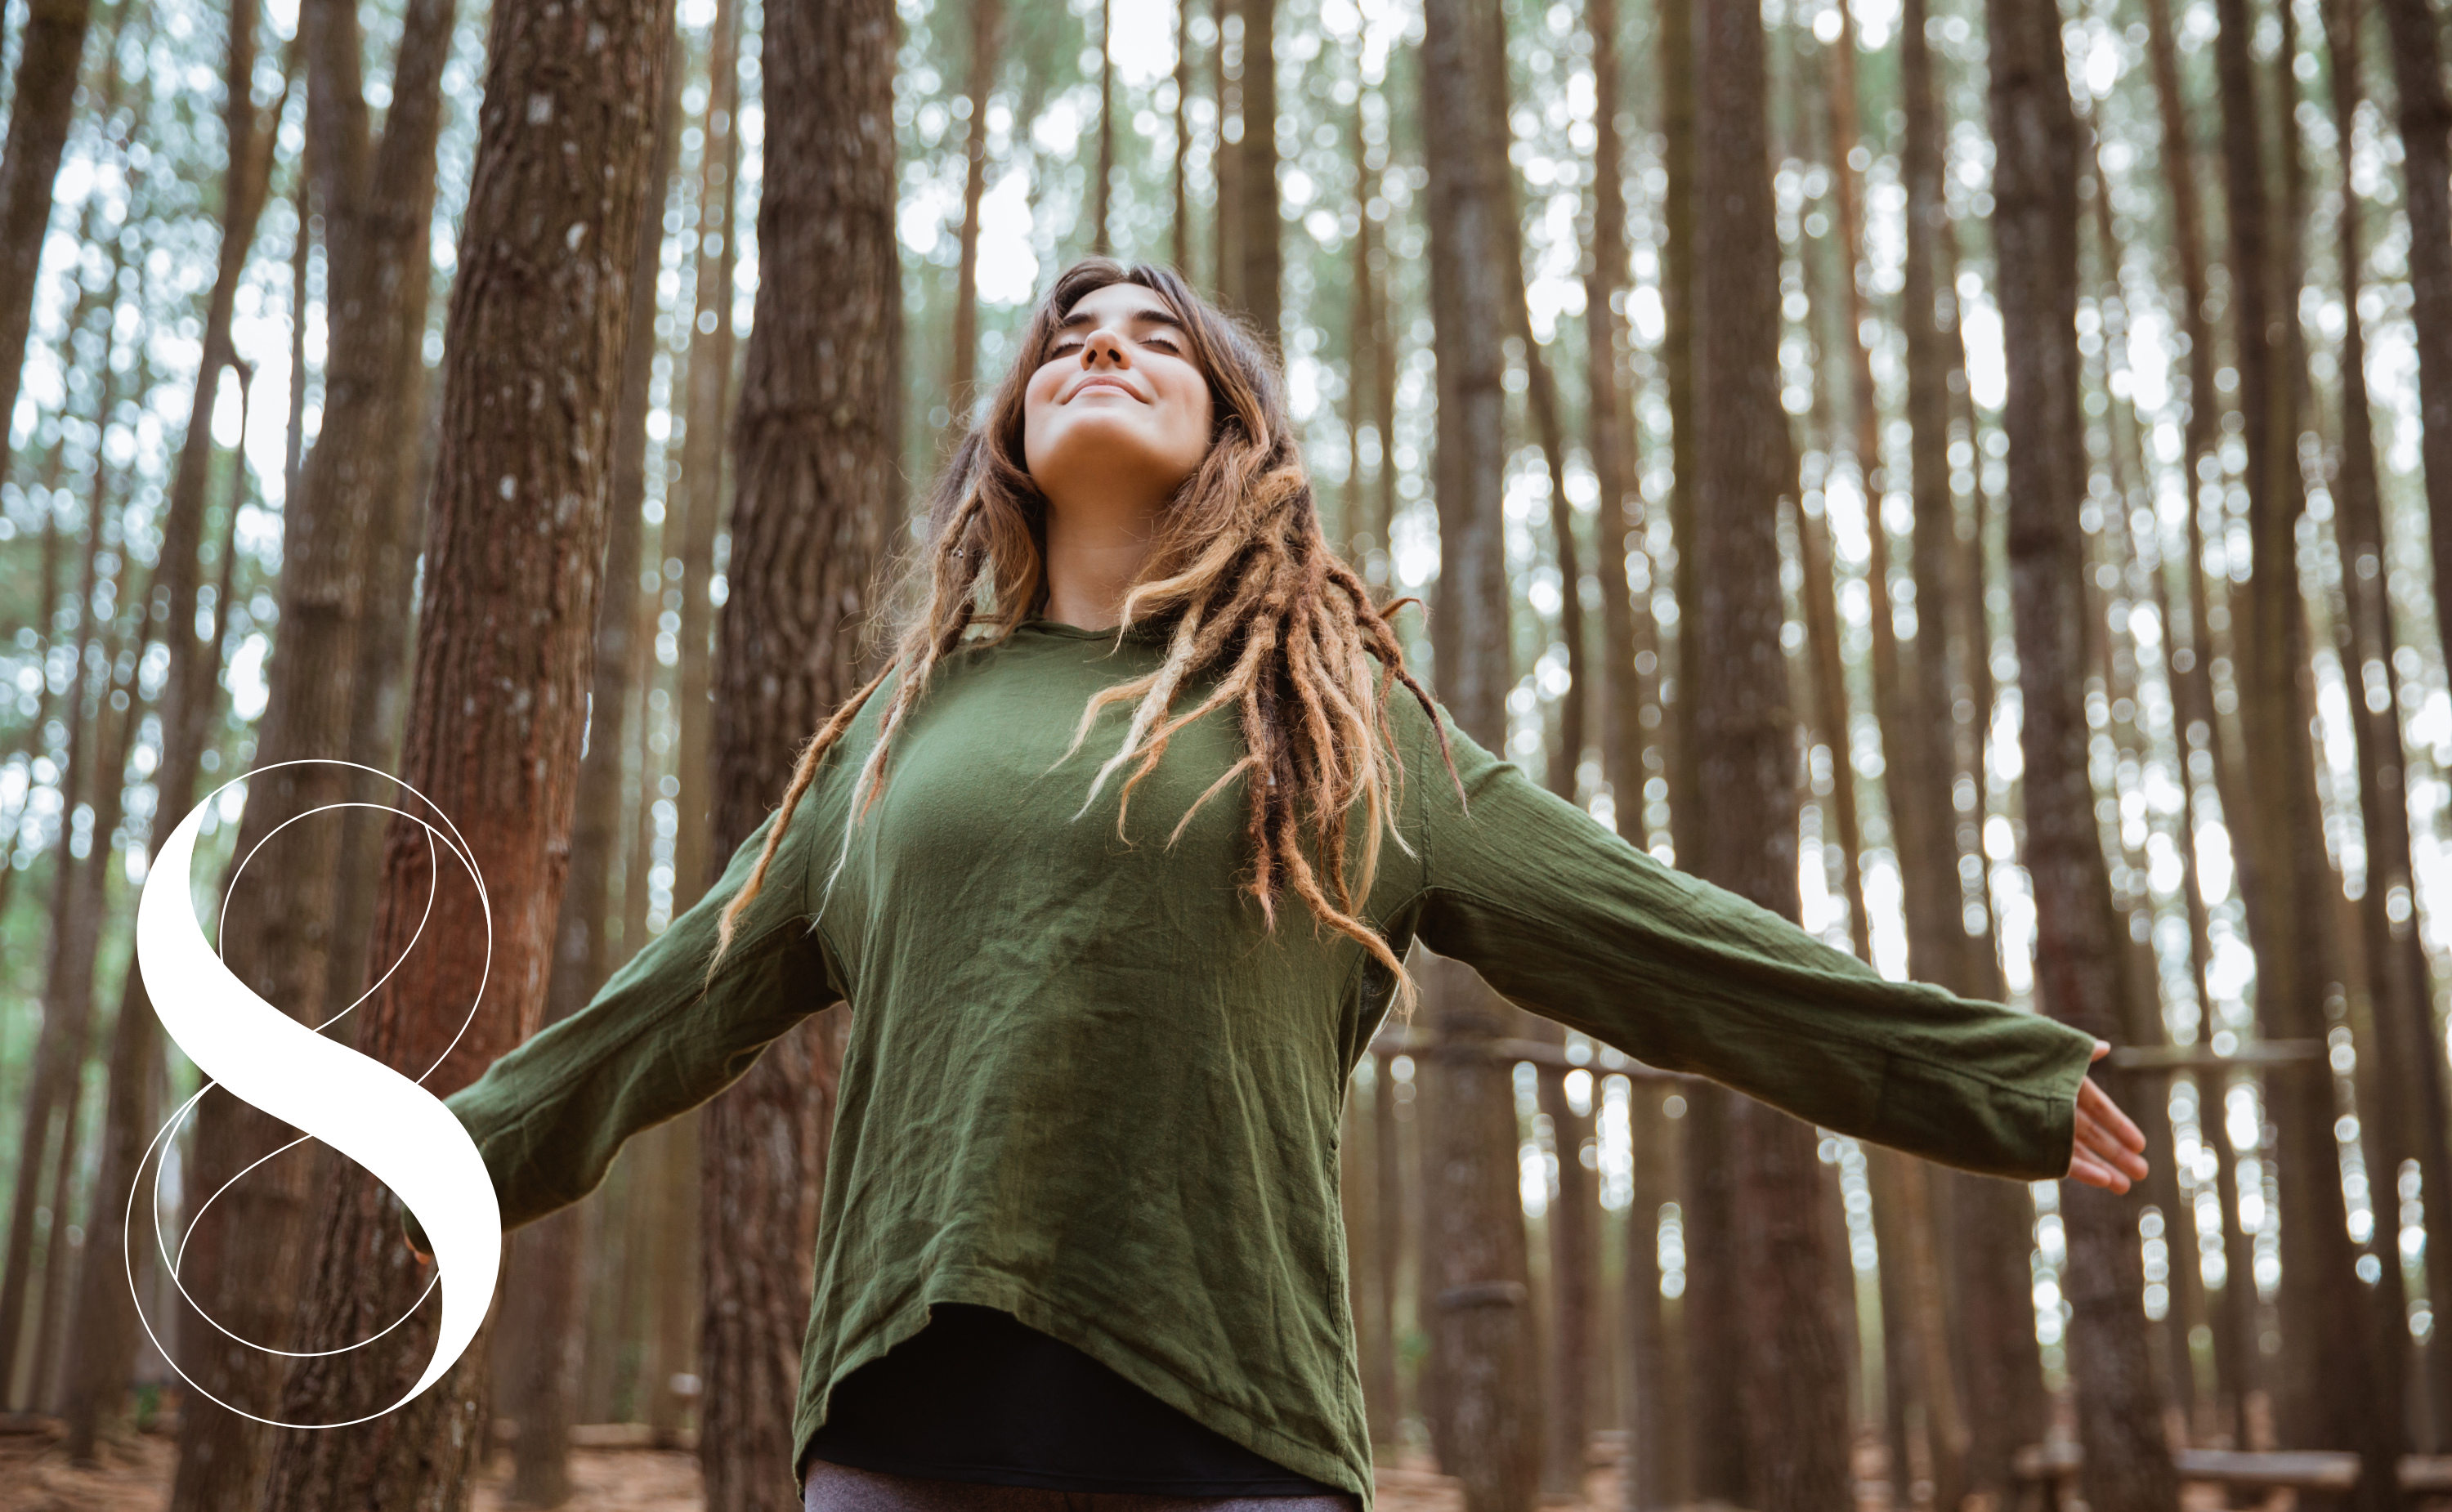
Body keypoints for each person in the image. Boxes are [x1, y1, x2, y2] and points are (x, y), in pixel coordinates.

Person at [401, 257, 2148, 1512]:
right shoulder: (891, 736)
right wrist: (438, 1165)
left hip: (1230, 1421)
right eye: (1067, 338)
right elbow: (663, 1007)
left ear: (1234, 425)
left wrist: (1979, 1076)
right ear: (1013, 423)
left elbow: (1654, 933)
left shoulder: (1335, 709)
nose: (1101, 349)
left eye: (1157, 338)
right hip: (904, 1417)